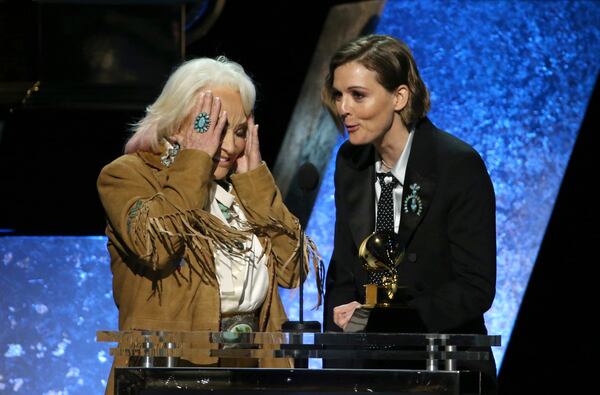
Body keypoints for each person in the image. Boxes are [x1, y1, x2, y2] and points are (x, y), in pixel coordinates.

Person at [97, 56, 320, 394]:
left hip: (252, 372)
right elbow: (156, 247)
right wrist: (195, 160)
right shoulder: (128, 175)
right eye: (213, 126)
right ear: (175, 124)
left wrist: (256, 182)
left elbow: (294, 270)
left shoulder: (241, 189)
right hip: (170, 376)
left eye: (240, 131)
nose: (230, 146)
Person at [321, 34, 497, 392]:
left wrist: (386, 319)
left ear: (399, 97)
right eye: (339, 95)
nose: (343, 108)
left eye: (358, 95)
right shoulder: (349, 162)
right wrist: (337, 358)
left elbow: (475, 287)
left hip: (442, 369)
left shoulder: (456, 164)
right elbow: (343, 269)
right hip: (367, 370)